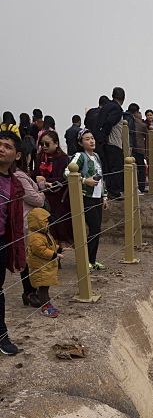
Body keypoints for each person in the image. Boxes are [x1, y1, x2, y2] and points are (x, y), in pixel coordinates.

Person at [0, 130, 27, 354]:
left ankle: (1, 336)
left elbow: (15, 224)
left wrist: (18, 253)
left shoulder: (16, 185)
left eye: (7, 147)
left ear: (17, 155)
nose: (1, 149)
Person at [70, 128, 108, 269]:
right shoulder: (79, 156)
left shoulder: (97, 156)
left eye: (92, 138)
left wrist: (105, 196)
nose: (91, 141)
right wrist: (85, 181)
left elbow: (101, 177)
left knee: (96, 229)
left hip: (97, 197)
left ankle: (92, 260)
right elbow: (68, 172)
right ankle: (85, 260)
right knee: (94, 229)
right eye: (87, 139)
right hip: (86, 197)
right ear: (80, 143)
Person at [13, 148, 45, 306]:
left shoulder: (18, 174)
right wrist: (41, 195)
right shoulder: (19, 175)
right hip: (26, 221)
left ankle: (32, 291)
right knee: (29, 258)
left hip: (27, 221)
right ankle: (30, 292)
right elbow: (34, 199)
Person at [26, 207, 69, 317]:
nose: (49, 225)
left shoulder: (44, 233)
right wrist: (55, 255)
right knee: (43, 287)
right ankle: (45, 307)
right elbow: (40, 250)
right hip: (40, 266)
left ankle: (47, 304)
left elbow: (51, 244)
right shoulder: (35, 236)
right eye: (46, 223)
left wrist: (60, 249)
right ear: (39, 223)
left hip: (46, 266)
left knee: (46, 286)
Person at [35, 132, 73, 246]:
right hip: (43, 198)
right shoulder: (39, 158)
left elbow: (65, 178)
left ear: (56, 144)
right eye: (42, 144)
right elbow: (35, 175)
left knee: (60, 229)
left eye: (47, 143)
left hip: (59, 199)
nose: (44, 146)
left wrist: (46, 181)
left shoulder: (63, 159)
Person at [92, 87, 125, 199]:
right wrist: (105, 134)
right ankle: (115, 192)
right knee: (116, 167)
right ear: (123, 98)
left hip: (104, 143)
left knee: (109, 167)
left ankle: (110, 190)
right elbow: (110, 122)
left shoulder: (106, 106)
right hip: (113, 142)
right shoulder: (116, 108)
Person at [127, 104, 147, 192]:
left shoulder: (125, 119)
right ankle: (141, 188)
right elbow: (148, 135)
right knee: (141, 168)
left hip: (127, 148)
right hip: (138, 149)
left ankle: (130, 187)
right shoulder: (141, 125)